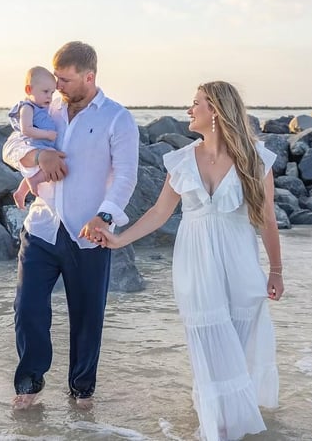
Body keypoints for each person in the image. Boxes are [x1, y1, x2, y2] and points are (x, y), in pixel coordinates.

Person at [93, 81, 284, 440]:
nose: (189, 110)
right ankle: (217, 429)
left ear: (215, 110)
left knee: (238, 350)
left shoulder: (256, 160)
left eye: (195, 103)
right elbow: (159, 212)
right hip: (195, 267)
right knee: (209, 347)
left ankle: (233, 426)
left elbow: (268, 219)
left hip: (241, 267)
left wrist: (276, 271)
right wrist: (119, 239)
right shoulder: (182, 160)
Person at [1, 41, 140, 410]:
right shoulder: (46, 108)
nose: (57, 85)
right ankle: (29, 384)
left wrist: (105, 215)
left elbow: (126, 175)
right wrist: (38, 154)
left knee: (87, 317)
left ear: (89, 76)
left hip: (89, 233)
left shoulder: (116, 117)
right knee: (27, 308)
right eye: (55, 78)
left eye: (65, 79)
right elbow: (12, 143)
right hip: (42, 227)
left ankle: (82, 392)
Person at [8, 66, 58, 209]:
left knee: (51, 163)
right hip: (36, 144)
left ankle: (21, 193)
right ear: (29, 90)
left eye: (52, 92)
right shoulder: (27, 108)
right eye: (45, 91)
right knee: (55, 161)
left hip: (44, 145)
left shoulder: (44, 107)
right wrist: (47, 134)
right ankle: (33, 181)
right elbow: (26, 129)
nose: (49, 96)